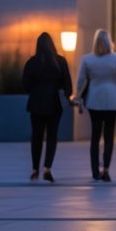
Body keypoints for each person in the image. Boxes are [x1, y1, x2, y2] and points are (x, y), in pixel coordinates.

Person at [76, 29, 116, 182]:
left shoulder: (87, 59)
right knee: (109, 137)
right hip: (112, 99)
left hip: (94, 99)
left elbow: (80, 80)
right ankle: (106, 169)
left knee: (95, 137)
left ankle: (94, 171)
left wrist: (78, 97)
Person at [22, 33, 72, 182]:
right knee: (52, 136)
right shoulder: (60, 62)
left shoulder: (31, 62)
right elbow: (68, 86)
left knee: (36, 136)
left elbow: (25, 86)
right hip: (54, 104)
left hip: (36, 104)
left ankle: (35, 168)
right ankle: (47, 167)